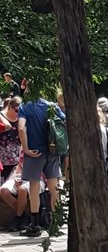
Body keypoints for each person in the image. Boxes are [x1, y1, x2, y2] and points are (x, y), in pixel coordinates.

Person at [17, 85, 65, 237]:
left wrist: (25, 148)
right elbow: (64, 122)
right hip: (52, 151)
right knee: (54, 187)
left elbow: (21, 128)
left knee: (34, 188)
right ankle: (55, 223)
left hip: (35, 152)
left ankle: (35, 225)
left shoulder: (25, 107)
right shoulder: (51, 106)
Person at [0, 96, 22, 181]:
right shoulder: (2, 116)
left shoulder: (21, 118)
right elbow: (7, 126)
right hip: (3, 157)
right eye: (16, 110)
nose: (18, 113)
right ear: (10, 107)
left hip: (16, 157)